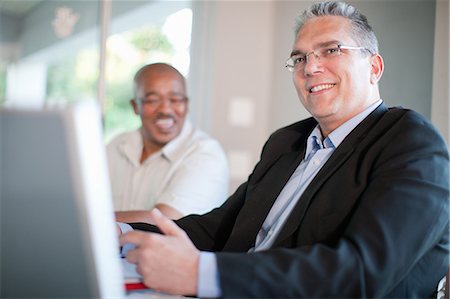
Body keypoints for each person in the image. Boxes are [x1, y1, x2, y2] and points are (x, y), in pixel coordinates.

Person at [118, 2, 450, 297]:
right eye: (300, 57)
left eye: (331, 50)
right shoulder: (286, 142)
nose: (310, 67)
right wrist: (119, 232)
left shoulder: (412, 143)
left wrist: (200, 273)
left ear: (374, 67)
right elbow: (217, 228)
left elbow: (361, 272)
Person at [107, 63, 229, 222]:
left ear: (186, 105)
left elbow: (163, 222)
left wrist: (90, 219)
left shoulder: (207, 154)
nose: (165, 109)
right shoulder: (117, 145)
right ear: (135, 106)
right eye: (152, 100)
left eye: (175, 99)